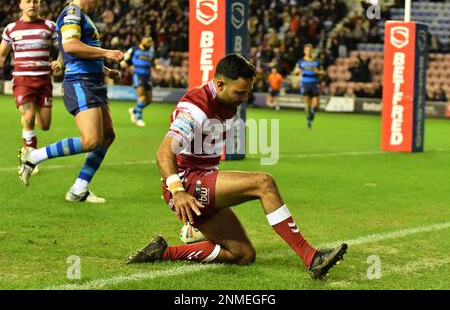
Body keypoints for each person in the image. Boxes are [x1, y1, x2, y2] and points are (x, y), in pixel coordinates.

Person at [125, 54, 347, 279]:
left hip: (202, 181)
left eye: (248, 92)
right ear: (220, 84)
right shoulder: (195, 108)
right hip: (187, 182)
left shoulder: (225, 101)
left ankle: (162, 252)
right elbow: (164, 152)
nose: (244, 98)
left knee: (243, 254)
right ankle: (312, 257)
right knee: (264, 183)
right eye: (240, 92)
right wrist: (178, 190)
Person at [17, 0, 124, 204]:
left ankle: (79, 189)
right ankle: (33, 156)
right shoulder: (72, 12)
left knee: (107, 136)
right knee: (92, 140)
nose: (100, 2)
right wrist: (106, 52)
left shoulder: (83, 17)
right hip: (80, 82)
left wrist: (106, 70)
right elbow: (71, 46)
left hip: (92, 82)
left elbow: (83, 51)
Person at [0, 0, 63, 174]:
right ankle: (29, 159)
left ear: (39, 4)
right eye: (28, 1)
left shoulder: (50, 26)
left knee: (45, 125)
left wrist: (59, 61)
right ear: (21, 5)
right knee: (28, 118)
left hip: (44, 81)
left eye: (35, 1)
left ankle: (31, 151)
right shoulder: (11, 29)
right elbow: (2, 54)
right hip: (22, 80)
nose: (32, 4)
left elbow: (62, 50)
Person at [121, 36, 156, 127]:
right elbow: (126, 60)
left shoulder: (151, 52)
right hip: (138, 75)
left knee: (148, 100)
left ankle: (134, 110)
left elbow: (153, 63)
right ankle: (139, 118)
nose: (149, 43)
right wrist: (124, 63)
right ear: (142, 41)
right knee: (142, 97)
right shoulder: (134, 49)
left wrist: (157, 67)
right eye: (147, 41)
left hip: (147, 77)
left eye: (150, 42)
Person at [293, 44, 324, 129]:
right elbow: (295, 72)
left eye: (310, 50)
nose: (308, 52)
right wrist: (297, 71)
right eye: (307, 50)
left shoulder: (317, 61)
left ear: (312, 51)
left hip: (314, 83)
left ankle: (311, 115)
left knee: (316, 105)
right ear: (304, 51)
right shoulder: (301, 62)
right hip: (305, 83)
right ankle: (308, 120)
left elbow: (323, 72)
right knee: (307, 104)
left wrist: (317, 72)